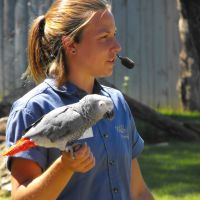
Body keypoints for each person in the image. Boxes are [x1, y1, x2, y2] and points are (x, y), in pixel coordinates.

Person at [5, 0, 154, 199]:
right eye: (104, 37)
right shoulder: (32, 109)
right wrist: (65, 166)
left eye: (114, 35)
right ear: (71, 45)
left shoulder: (115, 103)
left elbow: (138, 192)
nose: (117, 46)